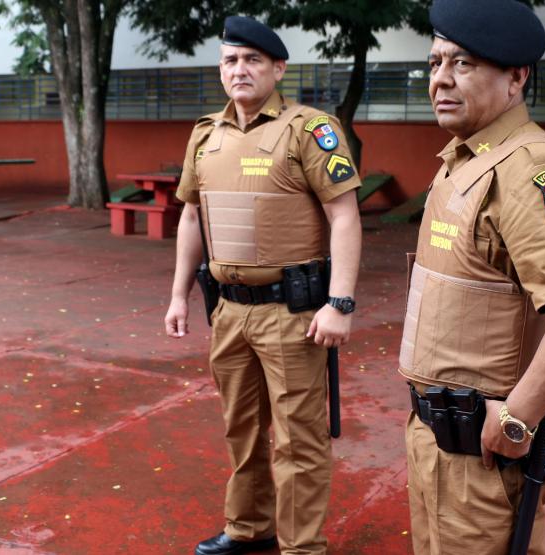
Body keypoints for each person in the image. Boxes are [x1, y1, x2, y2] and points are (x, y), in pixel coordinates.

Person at [398, 1, 545, 553]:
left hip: (484, 453)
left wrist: (518, 419)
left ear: (516, 78)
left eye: (463, 64)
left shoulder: (532, 169)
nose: (440, 79)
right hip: (436, 437)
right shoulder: (462, 161)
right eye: (435, 63)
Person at [164, 15, 362, 555]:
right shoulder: (206, 134)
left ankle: (302, 547)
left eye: (253, 59)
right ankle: (249, 527)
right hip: (228, 311)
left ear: (278, 68)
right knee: (242, 429)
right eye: (230, 60)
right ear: (220, 70)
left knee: (299, 438)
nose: (240, 69)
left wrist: (340, 302)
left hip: (290, 313)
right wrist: (179, 295)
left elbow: (344, 215)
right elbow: (190, 217)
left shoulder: (309, 129)